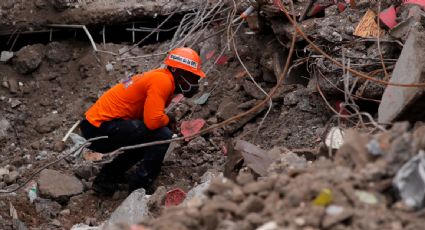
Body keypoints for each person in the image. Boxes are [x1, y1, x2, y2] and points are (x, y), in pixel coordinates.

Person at [79, 47, 205, 195]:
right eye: (192, 76)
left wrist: (166, 119)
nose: (195, 82)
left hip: (96, 126)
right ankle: (140, 188)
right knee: (162, 135)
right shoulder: (162, 81)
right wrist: (168, 119)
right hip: (99, 128)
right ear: (177, 72)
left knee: (146, 138)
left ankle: (105, 180)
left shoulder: (159, 77)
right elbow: (153, 121)